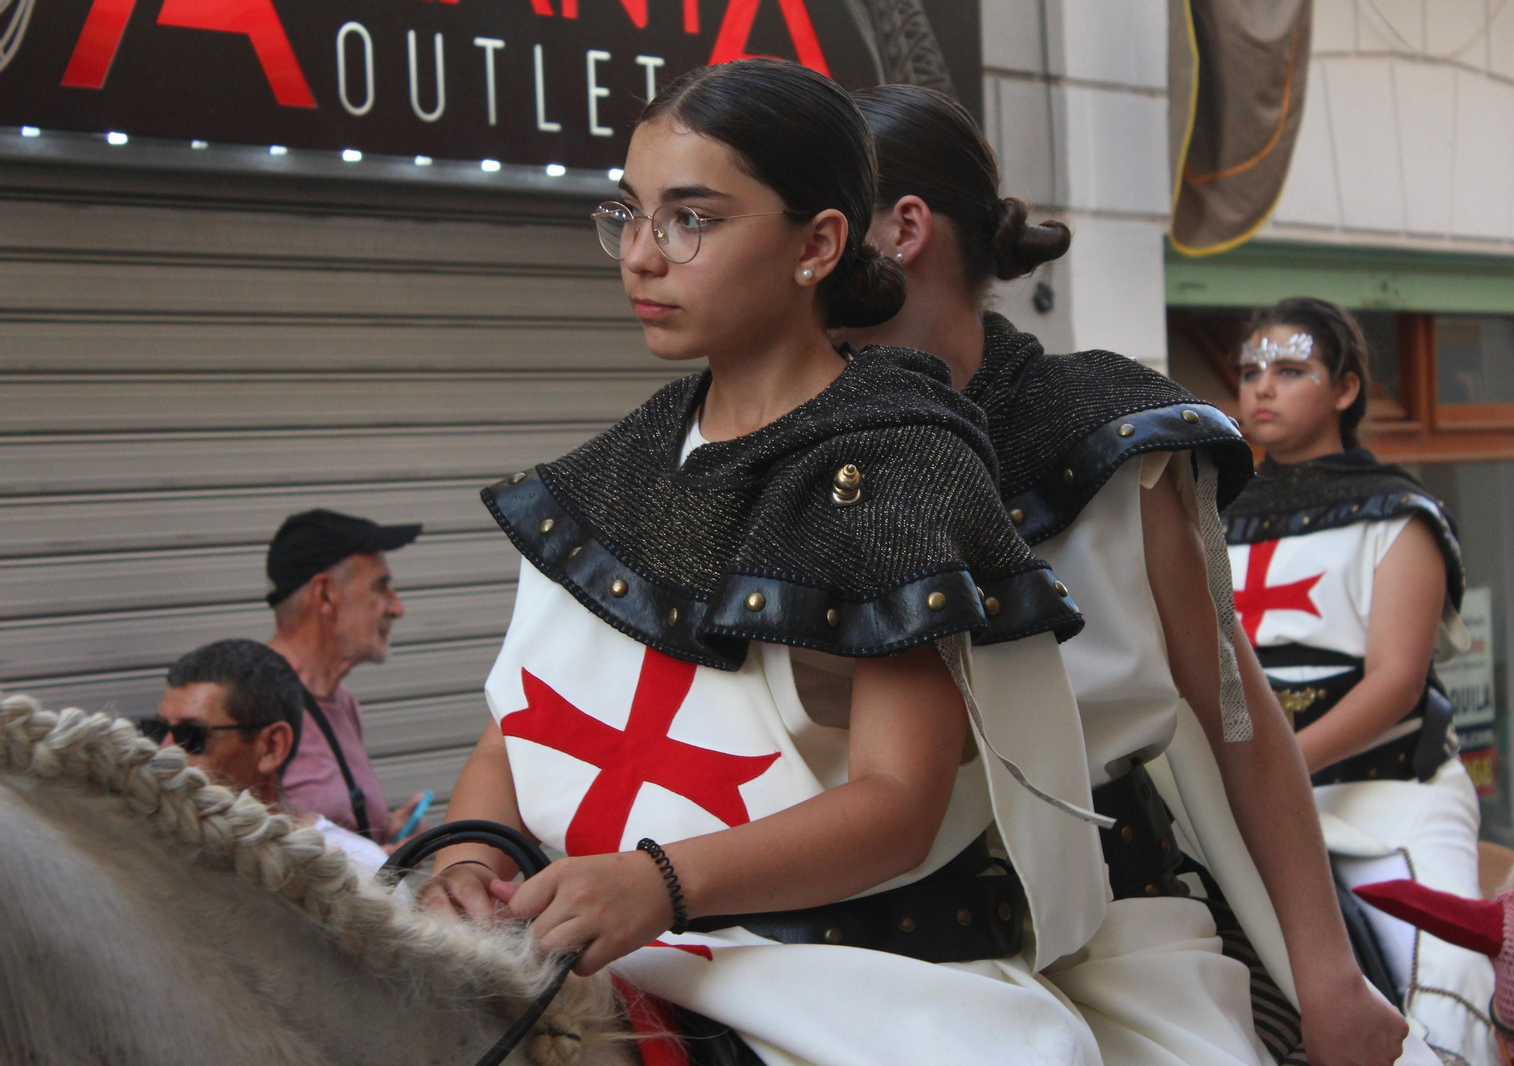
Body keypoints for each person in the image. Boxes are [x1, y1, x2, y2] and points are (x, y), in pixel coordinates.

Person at [422, 58, 1114, 1066]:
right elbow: (515, 734)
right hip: (574, 946)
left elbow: (896, 802)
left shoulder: (901, 464)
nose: (641, 258)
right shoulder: (613, 469)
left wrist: (657, 881)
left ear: (819, 243)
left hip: (834, 979)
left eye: (690, 220)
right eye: (629, 215)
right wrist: (469, 844)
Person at [839, 84, 1429, 1066]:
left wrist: (1328, 972)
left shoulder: (1114, 434)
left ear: (903, 229)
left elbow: (1229, 704)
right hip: (854, 938)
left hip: (1128, 917)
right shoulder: (758, 435)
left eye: (816, 213)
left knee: (1441, 968)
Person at [1223, 297, 1495, 1065]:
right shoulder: (1210, 512)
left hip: (1384, 793)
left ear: (1345, 389)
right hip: (1244, 795)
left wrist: (1272, 773)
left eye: (1290, 369)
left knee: (1448, 970)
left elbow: (1398, 683)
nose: (1261, 388)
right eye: (1249, 371)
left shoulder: (1399, 514)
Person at [139, 638, 394, 881]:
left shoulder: (360, 870)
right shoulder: (144, 857)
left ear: (273, 746)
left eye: (191, 735)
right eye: (159, 731)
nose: (165, 752)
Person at [265, 508, 426, 846]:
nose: (397, 608)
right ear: (325, 595)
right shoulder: (248, 699)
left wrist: (383, 838)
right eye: (380, 587)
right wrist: (378, 861)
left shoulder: (340, 700)